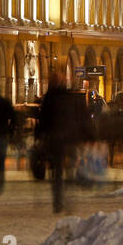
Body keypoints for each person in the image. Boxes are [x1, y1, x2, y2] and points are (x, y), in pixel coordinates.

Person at [36, 73, 87, 213]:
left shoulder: (49, 99)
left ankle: (58, 202)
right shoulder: (71, 98)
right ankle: (69, 200)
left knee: (57, 172)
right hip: (70, 140)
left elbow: (42, 119)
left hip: (55, 140)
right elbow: (81, 119)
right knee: (69, 170)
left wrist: (39, 136)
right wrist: (87, 136)